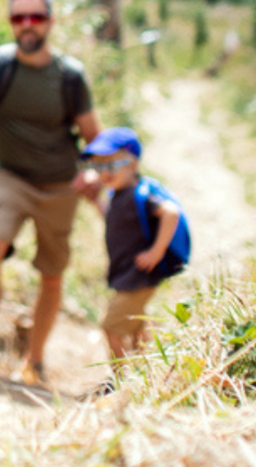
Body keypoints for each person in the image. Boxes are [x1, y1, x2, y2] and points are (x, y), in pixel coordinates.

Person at [0, 0, 101, 387]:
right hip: (12, 179)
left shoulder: (70, 76)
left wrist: (94, 172)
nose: (27, 25)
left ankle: (35, 361)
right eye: (19, 17)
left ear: (50, 21)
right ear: (10, 22)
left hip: (61, 187)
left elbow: (94, 139)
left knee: (52, 274)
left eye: (36, 16)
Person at [83, 127, 183, 365]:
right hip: (128, 273)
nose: (104, 173)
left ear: (133, 164)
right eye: (98, 166)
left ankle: (121, 377)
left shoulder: (139, 194)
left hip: (139, 275)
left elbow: (171, 212)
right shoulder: (118, 195)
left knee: (112, 327)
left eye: (111, 165)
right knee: (137, 325)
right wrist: (95, 201)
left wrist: (156, 252)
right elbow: (114, 221)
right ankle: (147, 369)